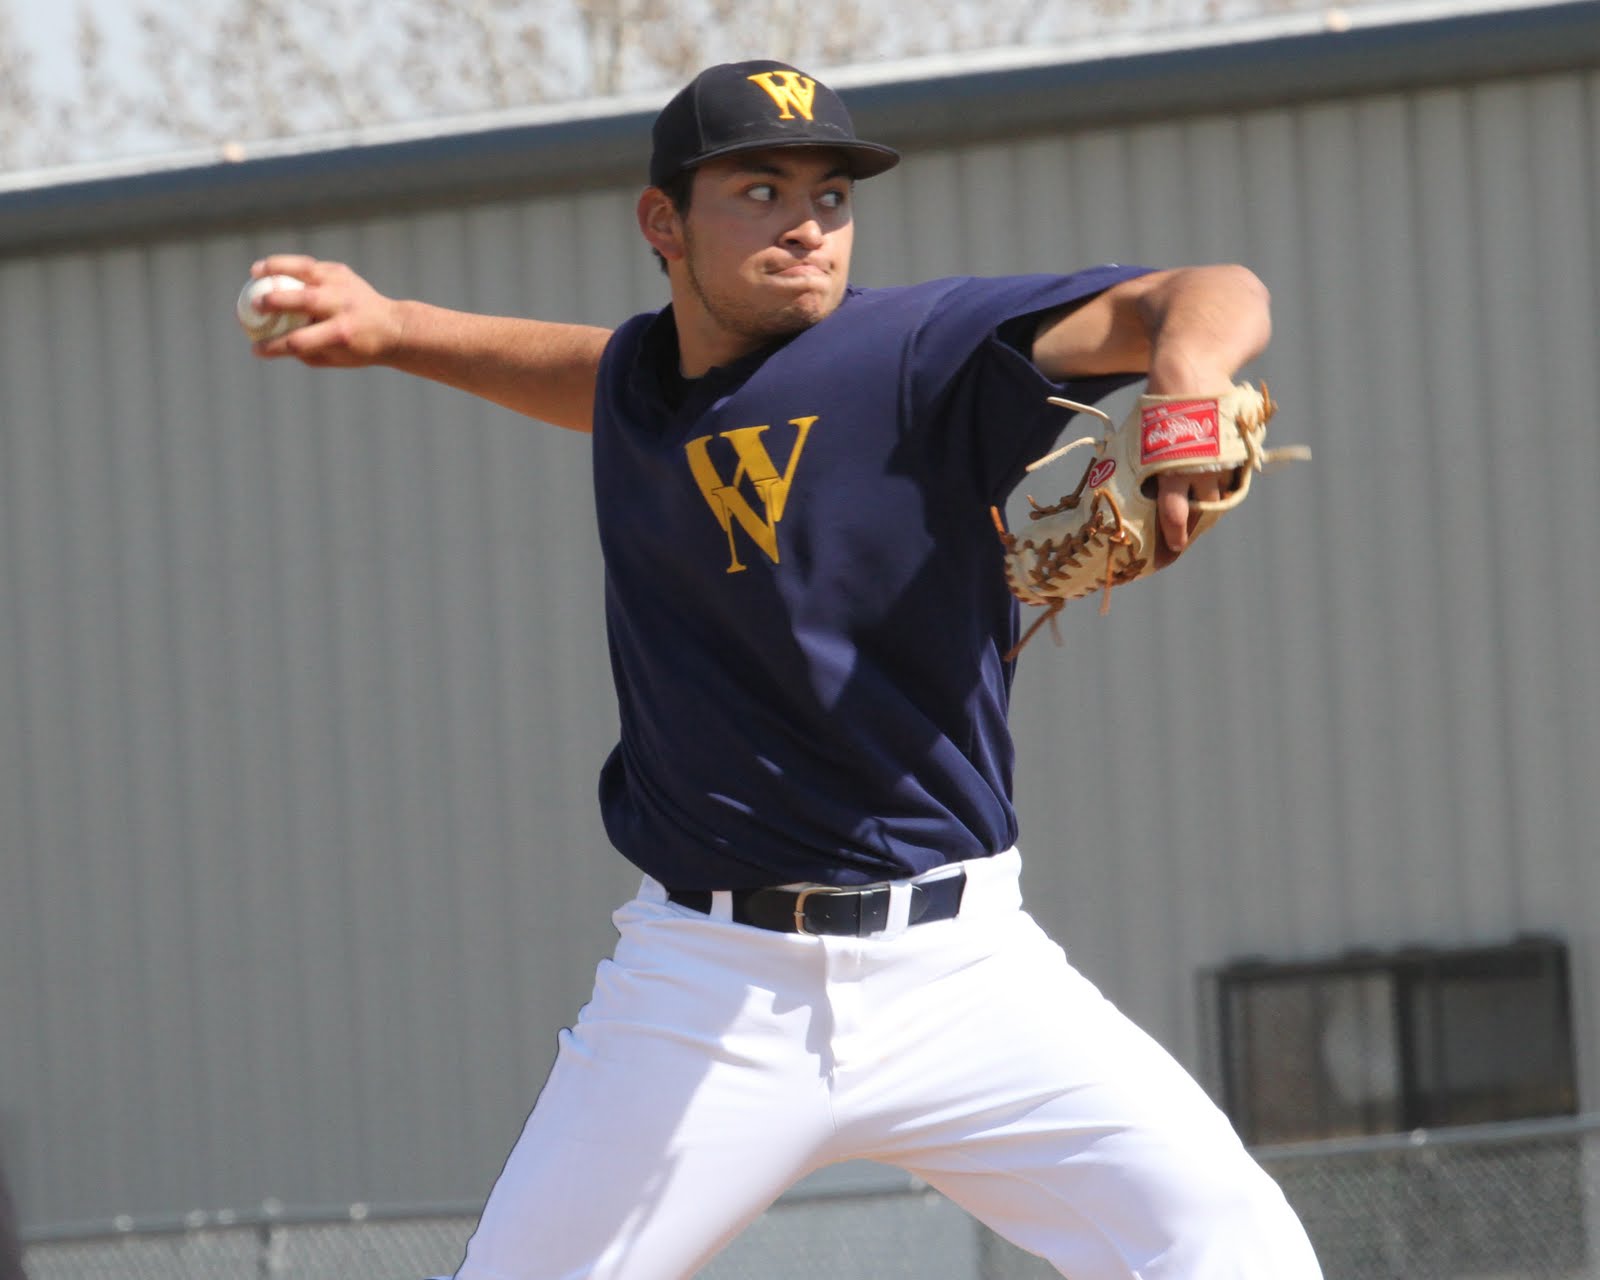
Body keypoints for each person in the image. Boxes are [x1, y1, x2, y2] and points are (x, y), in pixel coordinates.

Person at [247, 59, 1321, 1280]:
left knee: (1231, 1244)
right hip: (707, 987)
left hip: (962, 968)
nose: (806, 222)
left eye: (829, 193)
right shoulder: (647, 386)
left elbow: (1205, 290)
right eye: (759, 188)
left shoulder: (919, 353)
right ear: (664, 224)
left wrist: (1183, 380)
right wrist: (394, 329)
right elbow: (579, 372)